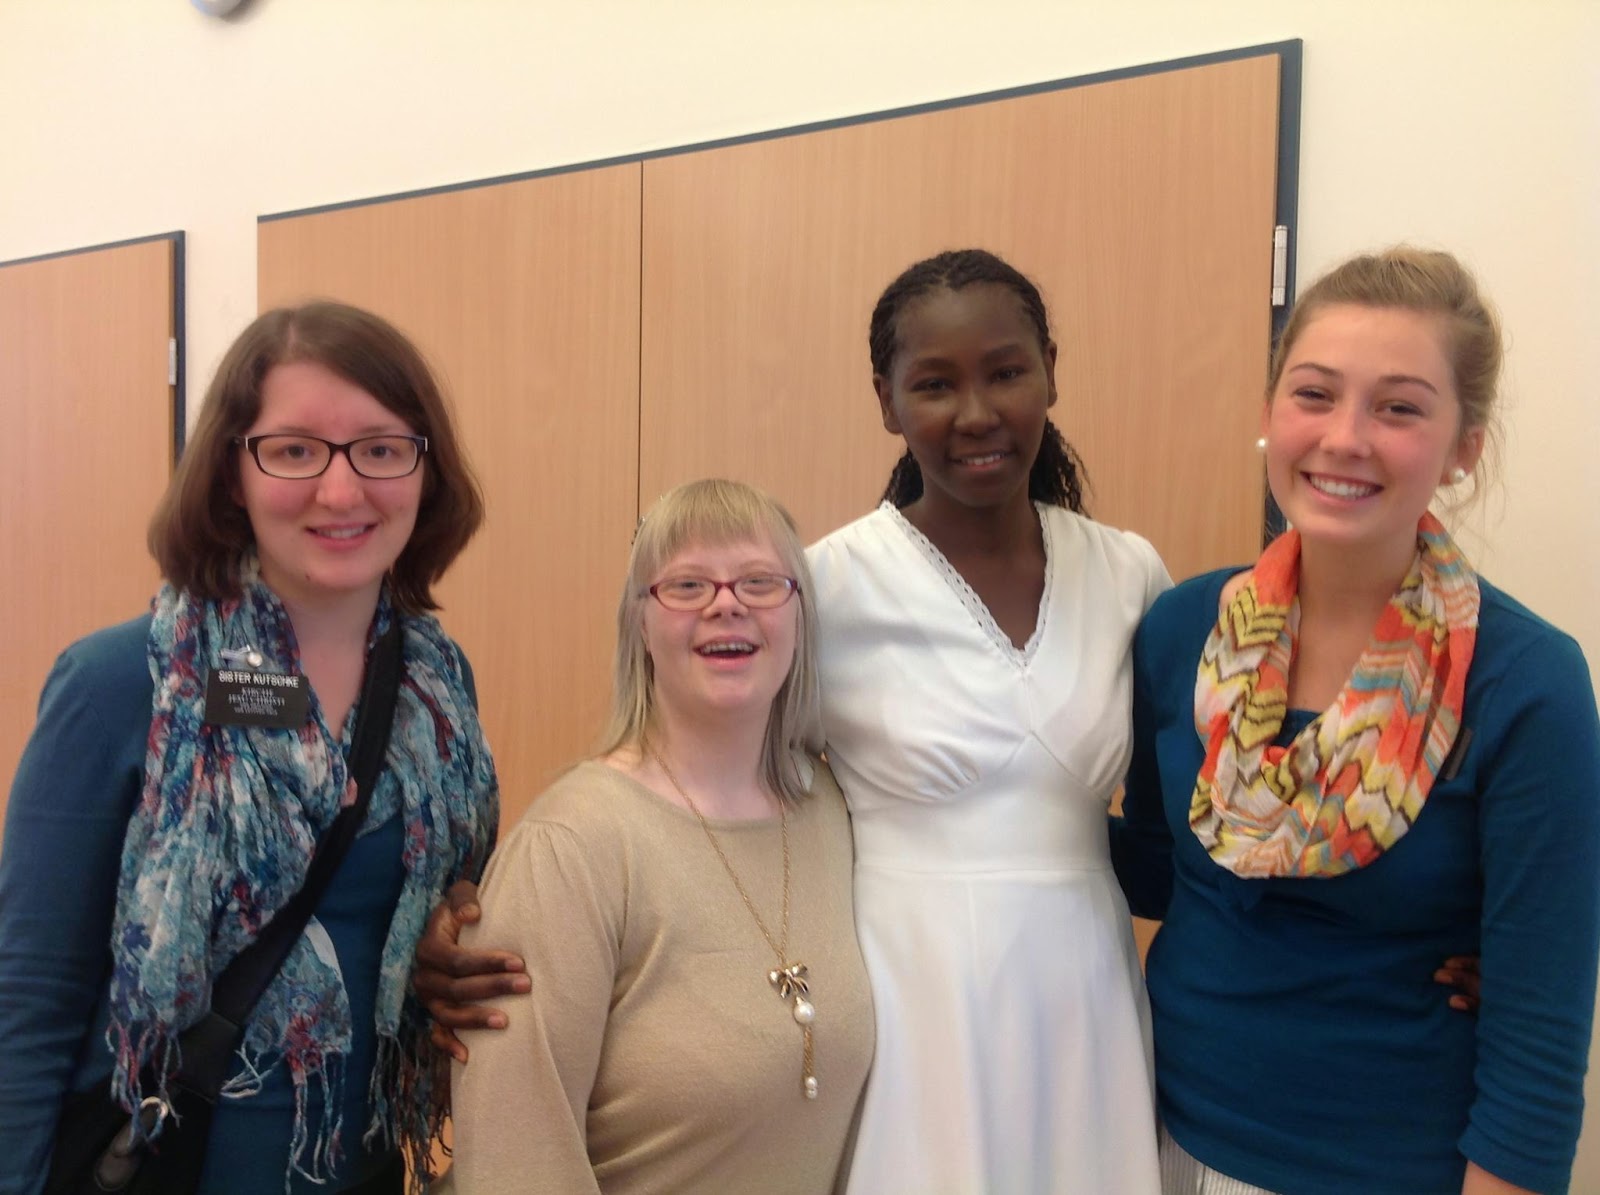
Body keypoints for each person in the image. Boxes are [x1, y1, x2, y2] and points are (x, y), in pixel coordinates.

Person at [1114, 247, 1600, 1195]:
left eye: (1399, 408)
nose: (1345, 437)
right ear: (1271, 412)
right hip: (1149, 1132)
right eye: (1315, 394)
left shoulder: (1527, 684)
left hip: (1382, 1167)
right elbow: (1170, 872)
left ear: (1464, 447)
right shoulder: (1181, 631)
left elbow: (1539, 1046)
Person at [0, 302, 499, 1195]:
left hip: (367, 1167)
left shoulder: (437, 689)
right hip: (160, 1170)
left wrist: (448, 941)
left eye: (381, 448)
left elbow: (438, 908)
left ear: (425, 470)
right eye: (295, 450)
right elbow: (28, 994)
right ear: (233, 472)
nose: (341, 491)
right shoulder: (118, 684)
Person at [803, 248, 1169, 1192]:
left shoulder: (1129, 574)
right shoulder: (825, 586)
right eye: (934, 384)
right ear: (887, 402)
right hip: (908, 994)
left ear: (1050, 371)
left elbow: (1190, 833)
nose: (976, 413)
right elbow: (730, 798)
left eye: (1006, 372)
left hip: (1086, 993)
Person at [442, 479, 873, 1194]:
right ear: (640, 624)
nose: (726, 603)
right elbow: (515, 1157)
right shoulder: (570, 848)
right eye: (687, 584)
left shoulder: (834, 808)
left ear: (800, 617)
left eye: (759, 582)